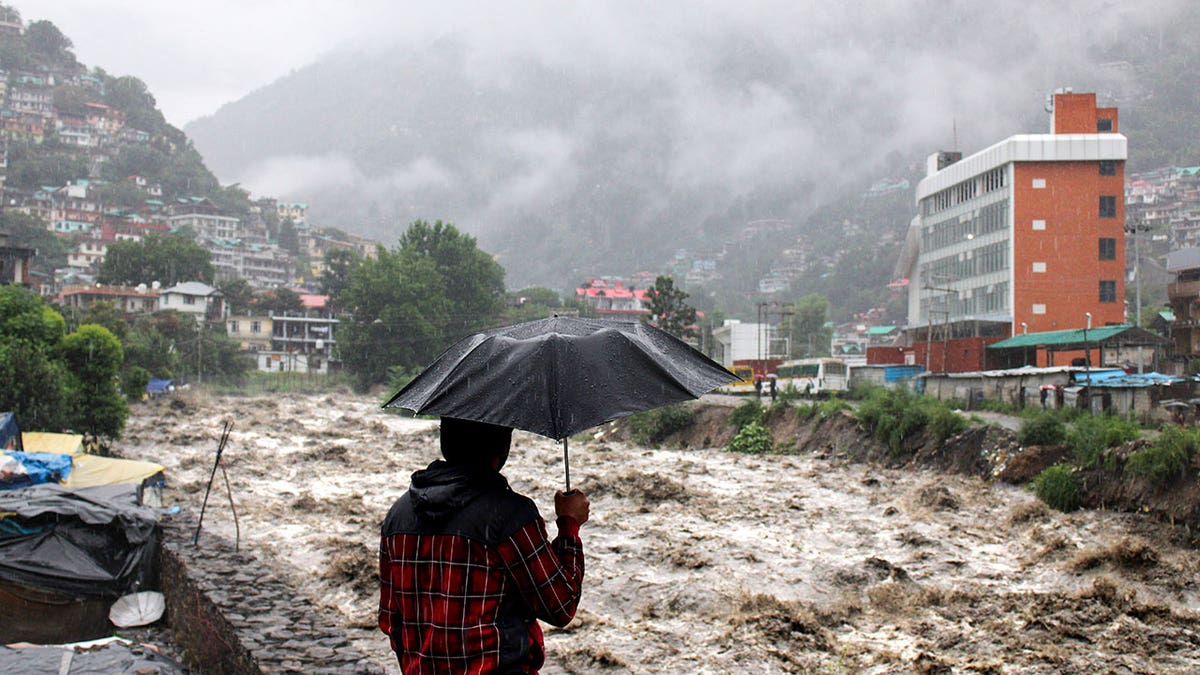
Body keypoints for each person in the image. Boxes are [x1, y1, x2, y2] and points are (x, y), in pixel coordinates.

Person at [379, 416, 589, 674]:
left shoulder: (397, 515)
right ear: (502, 447)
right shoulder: (511, 517)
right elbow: (560, 605)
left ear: (446, 440)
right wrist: (569, 526)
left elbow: (390, 620)